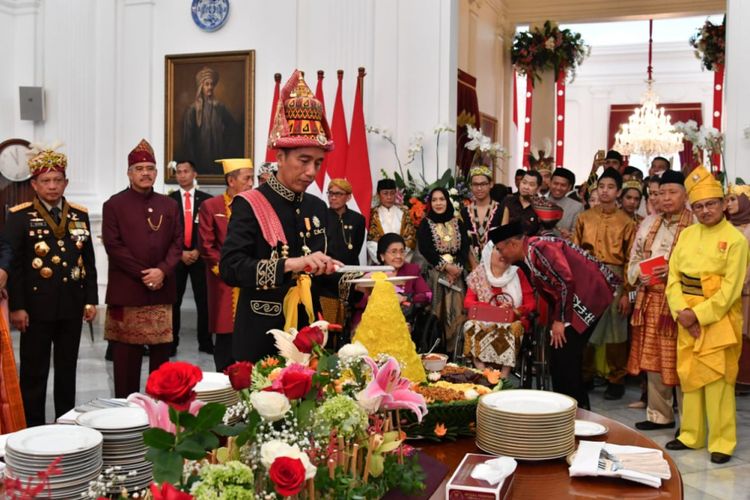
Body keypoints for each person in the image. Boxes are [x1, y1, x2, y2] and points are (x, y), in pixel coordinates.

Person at [220, 71, 343, 362]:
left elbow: (326, 271)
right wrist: (290, 264)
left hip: (309, 332)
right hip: (262, 336)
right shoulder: (251, 203)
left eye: (317, 163)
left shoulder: (316, 206)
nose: (312, 172)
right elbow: (231, 268)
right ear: (280, 158)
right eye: (303, 161)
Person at [5, 145, 98, 426]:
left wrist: (90, 300)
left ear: (66, 183)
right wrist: (18, 307)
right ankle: (31, 427)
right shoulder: (20, 216)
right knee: (34, 371)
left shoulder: (79, 215)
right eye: (46, 181)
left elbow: (88, 262)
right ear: (34, 184)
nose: (52, 186)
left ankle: (65, 424)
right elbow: (16, 267)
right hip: (35, 308)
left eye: (58, 180)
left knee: (67, 369)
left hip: (71, 304)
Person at [665, 166, 748, 464]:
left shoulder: (736, 240)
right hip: (685, 314)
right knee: (690, 376)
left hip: (718, 318)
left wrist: (697, 315)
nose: (705, 211)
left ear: (724, 203)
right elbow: (672, 277)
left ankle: (722, 441)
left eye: (710, 204)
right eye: (698, 206)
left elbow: (730, 291)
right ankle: (691, 434)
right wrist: (680, 311)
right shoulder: (687, 235)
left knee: (718, 380)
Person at [492, 221, 619, 409]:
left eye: (501, 249)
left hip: (588, 297)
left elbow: (565, 281)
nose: (501, 255)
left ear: (513, 244)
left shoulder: (540, 248)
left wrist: (560, 320)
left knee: (566, 359)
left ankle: (577, 412)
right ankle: (567, 409)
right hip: (573, 303)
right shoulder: (532, 251)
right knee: (561, 359)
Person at [102, 139, 182, 398]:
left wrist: (162, 271)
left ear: (157, 172)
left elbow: (177, 243)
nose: (145, 172)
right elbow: (114, 247)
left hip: (162, 290)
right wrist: (144, 274)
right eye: (139, 168)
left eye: (150, 168)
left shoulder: (169, 205)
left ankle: (159, 413)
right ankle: (126, 416)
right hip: (127, 292)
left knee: (161, 364)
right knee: (126, 362)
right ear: (129, 173)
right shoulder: (114, 204)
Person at [626, 170, 694, 431]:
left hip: (683, 302)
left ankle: (690, 424)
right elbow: (632, 262)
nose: (666, 198)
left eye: (672, 192)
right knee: (653, 361)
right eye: (661, 193)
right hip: (651, 299)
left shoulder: (696, 224)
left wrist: (673, 272)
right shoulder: (648, 223)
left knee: (682, 362)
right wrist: (639, 275)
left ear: (685, 196)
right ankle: (659, 415)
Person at [574, 167, 636, 400]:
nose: (605, 191)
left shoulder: (626, 222)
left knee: (615, 329)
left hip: (617, 277)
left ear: (619, 192)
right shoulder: (584, 217)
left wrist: (627, 294)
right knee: (586, 326)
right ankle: (586, 375)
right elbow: (575, 252)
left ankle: (616, 378)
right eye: (601, 187)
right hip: (588, 276)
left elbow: (632, 260)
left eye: (610, 187)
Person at [198, 158, 255, 371]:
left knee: (248, 331)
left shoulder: (255, 205)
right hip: (223, 281)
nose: (251, 183)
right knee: (225, 333)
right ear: (231, 180)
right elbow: (206, 245)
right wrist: (226, 270)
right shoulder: (211, 206)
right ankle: (223, 378)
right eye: (246, 178)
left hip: (250, 278)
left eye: (251, 178)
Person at [463, 240, 536, 377]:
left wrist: (515, 310)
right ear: (488, 253)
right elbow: (468, 302)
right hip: (485, 319)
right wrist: (493, 309)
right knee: (470, 325)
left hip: (512, 319)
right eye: (498, 250)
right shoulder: (479, 276)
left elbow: (531, 303)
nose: (503, 254)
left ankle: (504, 374)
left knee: (512, 328)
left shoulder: (518, 273)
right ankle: (482, 368)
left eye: (506, 250)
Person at [417, 187, 469, 354]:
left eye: (442, 199)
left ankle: (456, 352)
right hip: (436, 275)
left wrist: (457, 269)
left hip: (457, 275)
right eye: (434, 200)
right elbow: (426, 249)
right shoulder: (426, 223)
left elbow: (464, 248)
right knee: (437, 313)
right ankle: (436, 353)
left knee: (456, 312)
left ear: (447, 201)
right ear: (430, 203)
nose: (438, 203)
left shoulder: (457, 222)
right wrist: (446, 267)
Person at [169, 160, 212, 356]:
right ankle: (171, 342)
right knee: (174, 301)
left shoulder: (206, 200)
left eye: (186, 171)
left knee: (203, 301)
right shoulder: (169, 201)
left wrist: (198, 250)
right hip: (177, 258)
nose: (182, 175)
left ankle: (205, 342)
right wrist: (180, 253)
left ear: (194, 174)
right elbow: (167, 233)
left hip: (199, 256)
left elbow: (209, 231)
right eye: (178, 172)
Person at [351, 233, 432, 330]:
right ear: (382, 256)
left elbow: (427, 295)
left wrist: (405, 298)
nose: (399, 256)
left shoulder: (412, 270)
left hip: (403, 320)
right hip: (374, 321)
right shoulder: (371, 274)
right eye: (393, 252)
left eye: (402, 252)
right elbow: (359, 303)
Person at [181, 66, 243, 172]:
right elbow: (188, 141)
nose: (210, 87)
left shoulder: (220, 108)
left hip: (218, 156)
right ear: (201, 87)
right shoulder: (192, 110)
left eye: (212, 84)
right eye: (207, 84)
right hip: (200, 159)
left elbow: (234, 130)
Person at [724, 184, 750, 387]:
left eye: (734, 199)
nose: (729, 204)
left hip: (745, 289)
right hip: (724, 289)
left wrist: (740, 280)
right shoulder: (725, 227)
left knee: (744, 330)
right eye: (727, 199)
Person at [460, 165, 502, 270]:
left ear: (491, 184)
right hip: (471, 268)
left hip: (496, 267)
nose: (479, 188)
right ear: (470, 186)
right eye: (475, 184)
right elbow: (463, 242)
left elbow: (504, 243)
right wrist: (475, 268)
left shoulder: (501, 210)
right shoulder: (464, 212)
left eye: (483, 184)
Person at [367, 178, 416, 263]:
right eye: (385, 193)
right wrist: (384, 259)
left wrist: (398, 257)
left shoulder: (404, 212)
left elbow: (410, 239)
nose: (389, 197)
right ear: (378, 195)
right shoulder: (372, 214)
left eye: (392, 193)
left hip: (402, 261)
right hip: (380, 263)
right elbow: (370, 241)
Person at [326, 178, 366, 265]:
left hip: (350, 270)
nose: (333, 197)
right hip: (327, 270)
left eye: (338, 194)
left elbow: (356, 249)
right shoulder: (321, 217)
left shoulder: (358, 219)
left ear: (348, 197)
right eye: (330, 193)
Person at [500, 169, 541, 235]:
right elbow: (498, 230)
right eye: (524, 183)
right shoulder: (508, 202)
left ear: (538, 189)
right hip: (507, 243)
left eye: (531, 185)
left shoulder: (541, 208)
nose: (526, 187)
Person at [547, 167, 583, 239]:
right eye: (555, 183)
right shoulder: (540, 202)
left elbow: (578, 236)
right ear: (550, 183)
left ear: (569, 187)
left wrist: (569, 235)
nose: (558, 188)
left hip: (563, 248)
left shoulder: (577, 207)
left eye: (563, 185)